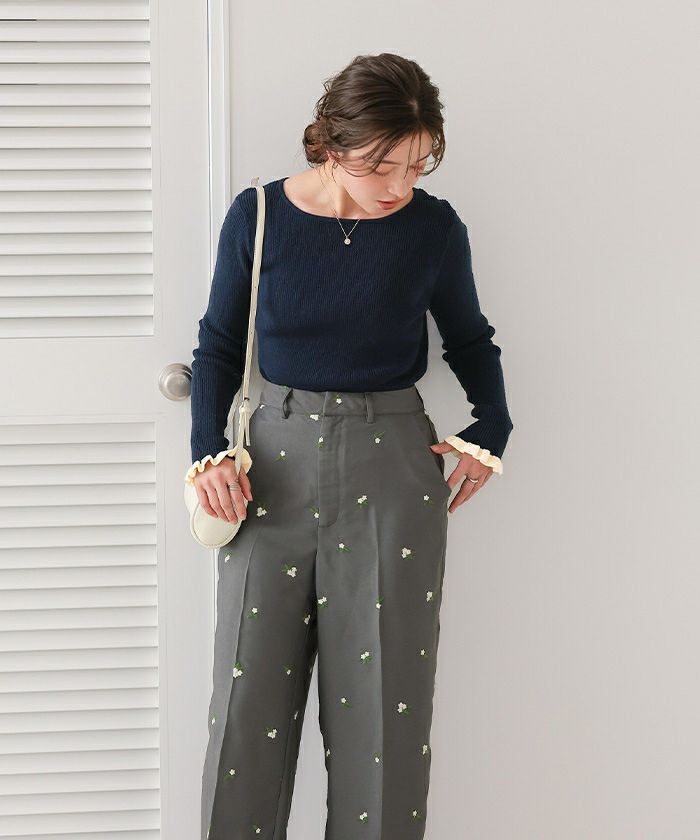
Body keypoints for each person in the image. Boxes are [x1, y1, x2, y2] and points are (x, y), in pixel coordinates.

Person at [187, 52, 513, 840]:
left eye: (417, 163)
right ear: (331, 144)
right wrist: (207, 455)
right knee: (246, 709)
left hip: (393, 464)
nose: (399, 184)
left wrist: (491, 429)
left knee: (384, 719)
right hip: (270, 470)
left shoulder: (432, 227)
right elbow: (219, 344)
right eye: (380, 164)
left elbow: (470, 339)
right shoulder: (259, 215)